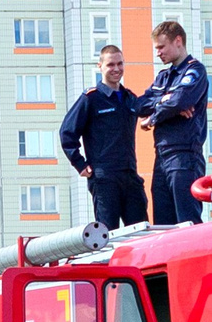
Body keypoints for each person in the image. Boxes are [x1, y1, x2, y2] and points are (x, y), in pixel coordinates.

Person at [61, 43, 150, 230]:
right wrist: (79, 164)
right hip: (104, 178)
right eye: (110, 65)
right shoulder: (91, 98)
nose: (116, 69)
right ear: (99, 66)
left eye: (120, 64)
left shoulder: (128, 98)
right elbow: (67, 132)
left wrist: (177, 106)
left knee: (141, 231)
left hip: (129, 174)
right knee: (108, 234)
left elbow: (149, 107)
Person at [140, 20, 209, 226]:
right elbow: (140, 105)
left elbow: (181, 100)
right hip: (161, 157)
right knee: (163, 224)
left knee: (186, 222)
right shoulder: (163, 77)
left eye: (161, 47)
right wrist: (165, 101)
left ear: (178, 41)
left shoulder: (194, 70)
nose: (158, 53)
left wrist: (154, 117)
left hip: (184, 155)